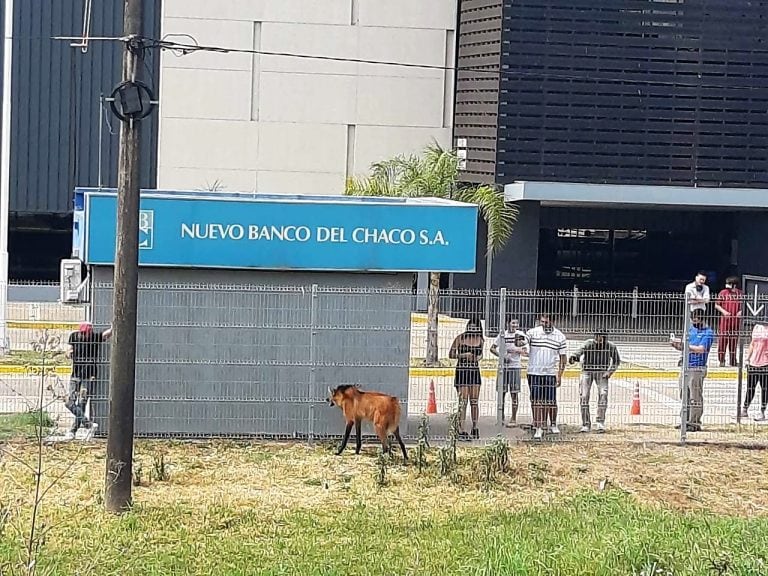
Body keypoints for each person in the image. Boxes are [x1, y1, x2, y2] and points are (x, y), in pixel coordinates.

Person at [65, 322, 112, 440]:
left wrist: (114, 327)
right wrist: (68, 353)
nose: (85, 336)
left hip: (89, 376)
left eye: (87, 333)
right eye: (84, 333)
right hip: (75, 375)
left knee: (82, 402)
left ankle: (73, 431)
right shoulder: (74, 336)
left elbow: (106, 335)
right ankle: (89, 425)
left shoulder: (94, 338)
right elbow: (69, 350)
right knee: (69, 402)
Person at [670, 309, 714, 432]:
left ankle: (694, 422)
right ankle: (685, 420)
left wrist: (686, 345)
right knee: (684, 395)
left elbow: (701, 349)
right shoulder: (691, 330)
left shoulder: (708, 333)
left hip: (697, 367)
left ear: (702, 319)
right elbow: (686, 347)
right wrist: (677, 345)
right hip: (686, 366)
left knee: (695, 396)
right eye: (693, 319)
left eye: (697, 319)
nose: (694, 321)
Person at [569, 330, 621, 433]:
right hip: (587, 371)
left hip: (602, 372)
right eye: (597, 337)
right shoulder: (589, 343)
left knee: (603, 394)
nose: (599, 339)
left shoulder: (611, 346)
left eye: (601, 337)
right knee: (584, 396)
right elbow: (579, 351)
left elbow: (616, 361)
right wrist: (574, 357)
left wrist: (609, 372)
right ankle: (585, 424)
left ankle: (600, 422)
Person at [526, 314, 567, 440]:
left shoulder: (560, 337)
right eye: (542, 321)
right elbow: (522, 341)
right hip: (534, 372)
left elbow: (563, 358)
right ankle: (538, 427)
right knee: (536, 400)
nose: (544, 324)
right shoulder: (533, 333)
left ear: (553, 322)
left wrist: (559, 375)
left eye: (547, 322)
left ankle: (553, 424)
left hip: (549, 373)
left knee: (551, 401)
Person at [449, 316, 484, 441]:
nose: (473, 330)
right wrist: (463, 355)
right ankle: (461, 429)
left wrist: (477, 358)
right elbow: (451, 354)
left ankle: (475, 427)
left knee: (474, 401)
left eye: (475, 328)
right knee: (463, 402)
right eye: (471, 327)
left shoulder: (480, 340)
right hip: (462, 370)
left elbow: (481, 355)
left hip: (474, 371)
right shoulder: (460, 338)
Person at [490, 316, 528, 428]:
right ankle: (500, 417)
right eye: (513, 323)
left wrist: (517, 350)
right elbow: (492, 348)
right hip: (503, 367)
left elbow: (526, 350)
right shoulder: (503, 335)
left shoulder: (520, 335)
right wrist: (502, 356)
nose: (515, 325)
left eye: (516, 323)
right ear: (508, 323)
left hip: (515, 366)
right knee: (501, 393)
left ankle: (513, 418)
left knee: (514, 393)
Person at [714, 276, 743, 367]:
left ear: (734, 285)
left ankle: (733, 360)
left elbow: (744, 305)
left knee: (733, 341)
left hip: (736, 321)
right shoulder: (723, 293)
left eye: (729, 284)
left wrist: (741, 311)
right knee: (722, 340)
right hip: (725, 321)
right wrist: (724, 312)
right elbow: (717, 305)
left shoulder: (740, 294)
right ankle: (721, 360)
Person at [742, 321, 768, 421]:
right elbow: (752, 343)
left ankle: (762, 411)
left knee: (764, 388)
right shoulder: (757, 326)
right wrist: (748, 358)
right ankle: (745, 409)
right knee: (750, 387)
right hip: (753, 362)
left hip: (765, 362)